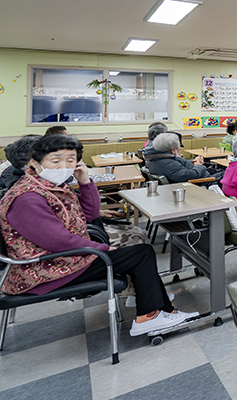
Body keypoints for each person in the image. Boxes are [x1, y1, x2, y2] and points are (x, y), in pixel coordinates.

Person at [0, 134, 197, 336]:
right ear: (34, 162)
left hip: (64, 258)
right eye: (55, 161)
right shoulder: (27, 197)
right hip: (45, 269)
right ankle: (150, 316)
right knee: (141, 254)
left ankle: (162, 310)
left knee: (140, 252)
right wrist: (102, 248)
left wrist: (85, 182)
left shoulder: (50, 187)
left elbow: (90, 214)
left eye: (70, 160)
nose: (63, 167)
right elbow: (59, 241)